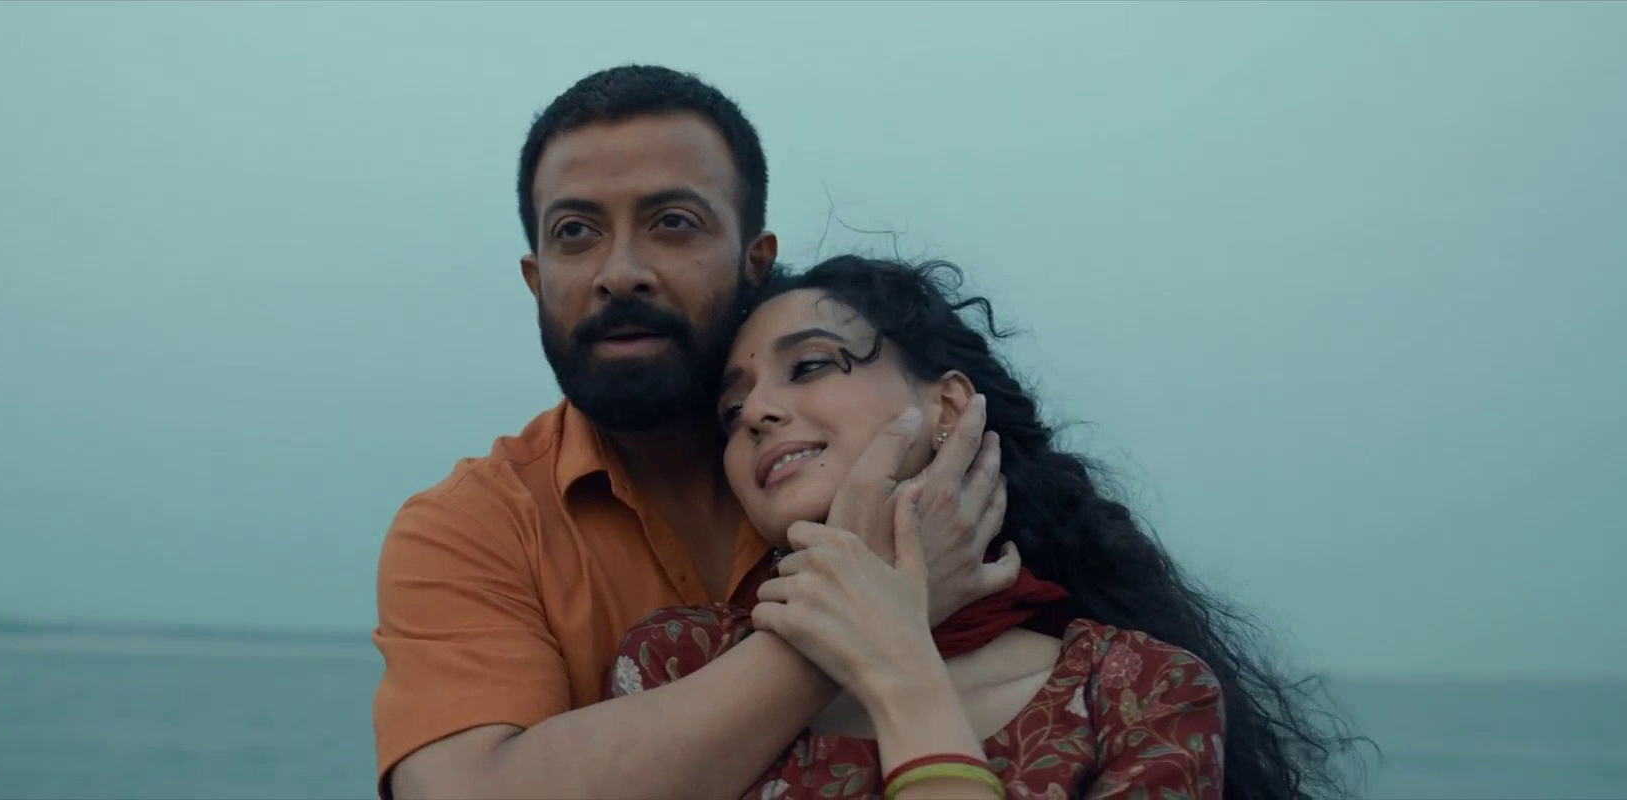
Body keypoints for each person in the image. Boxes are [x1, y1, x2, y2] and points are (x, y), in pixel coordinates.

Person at [372, 66, 1020, 798]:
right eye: (575, 232)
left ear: (756, 262)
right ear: (536, 278)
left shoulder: (864, 468)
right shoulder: (471, 527)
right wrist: (873, 604)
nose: (620, 273)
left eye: (673, 222)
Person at [606, 255, 1361, 798]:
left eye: (808, 366)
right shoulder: (681, 662)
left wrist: (899, 667)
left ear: (948, 406)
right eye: (731, 411)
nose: (758, 413)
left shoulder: (1136, 691)